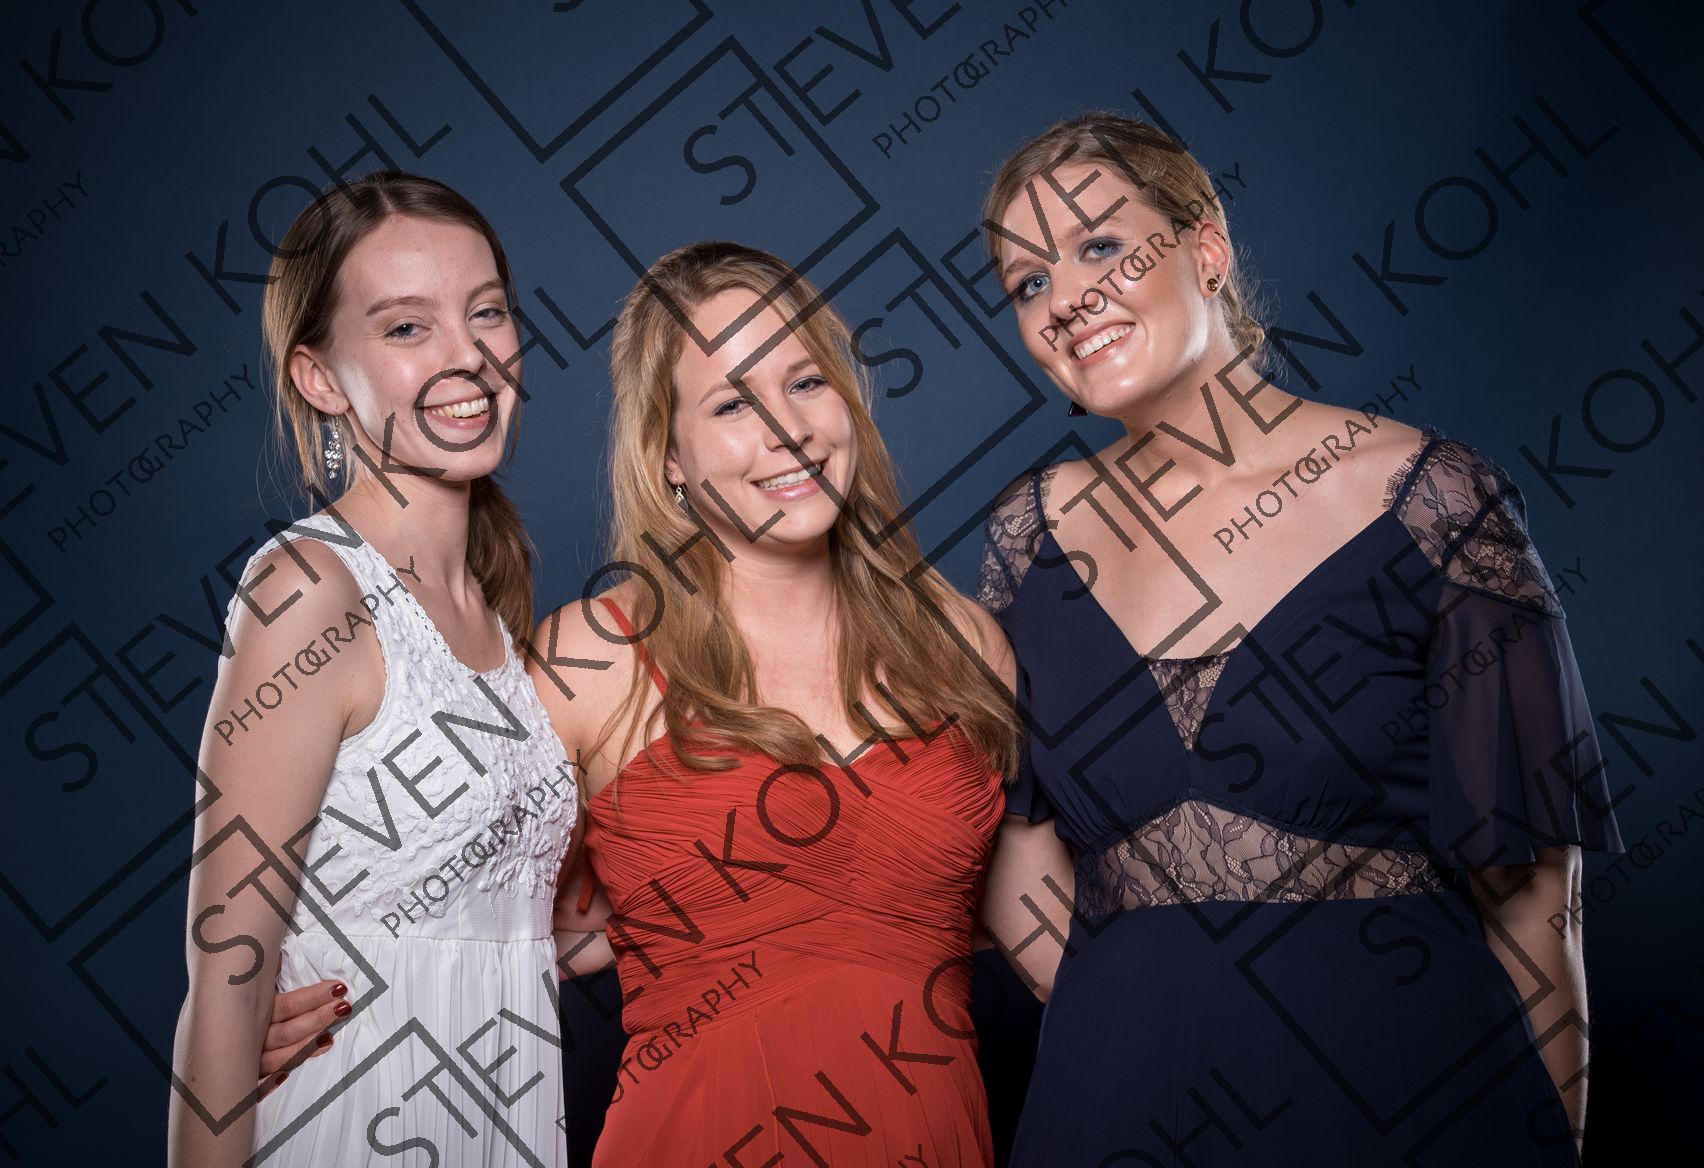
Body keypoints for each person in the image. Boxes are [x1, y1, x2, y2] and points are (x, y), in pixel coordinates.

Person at [261, 239, 1071, 1165]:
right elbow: (464, 914)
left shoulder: (961, 642)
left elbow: (1051, 945)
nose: (789, 430)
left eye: (807, 382)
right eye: (733, 404)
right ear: (668, 458)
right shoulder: (592, 659)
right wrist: (294, 1006)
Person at [977, 113, 1623, 1166]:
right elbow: (1016, 848)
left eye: (1101, 246)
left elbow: (1535, 893)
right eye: (1028, 282)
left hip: (1411, 1095)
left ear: (1206, 246)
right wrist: (1140, 1005)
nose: (1066, 300)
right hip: (1119, 1101)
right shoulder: (1026, 539)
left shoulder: (1434, 501)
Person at [169, 172, 579, 1166]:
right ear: (319, 378)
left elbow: (506, 927)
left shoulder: (497, 607)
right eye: (406, 328)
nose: (466, 355)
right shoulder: (311, 590)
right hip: (357, 1123)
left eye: (487, 312)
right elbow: (225, 984)